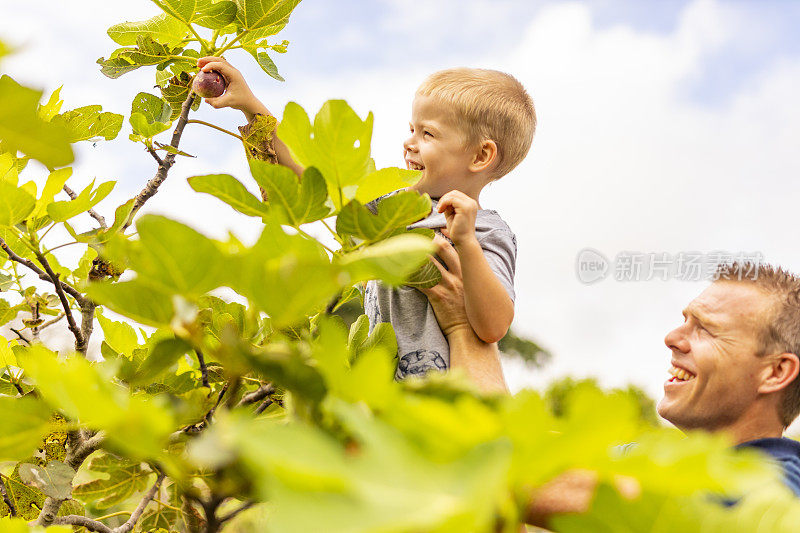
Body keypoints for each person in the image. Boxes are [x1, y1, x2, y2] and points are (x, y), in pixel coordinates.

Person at [196, 57, 536, 380]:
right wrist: (250, 104)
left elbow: (494, 326)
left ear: (481, 155)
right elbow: (311, 177)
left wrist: (466, 244)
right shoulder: (389, 207)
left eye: (427, 134)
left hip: (447, 399)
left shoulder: (485, 229)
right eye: (411, 129)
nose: (409, 143)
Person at [422, 246, 800, 525]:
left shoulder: (783, 488)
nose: (672, 337)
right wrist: (461, 324)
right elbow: (517, 444)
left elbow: (551, 479)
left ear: (776, 372)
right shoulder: (647, 457)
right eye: (684, 320)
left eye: (706, 329)